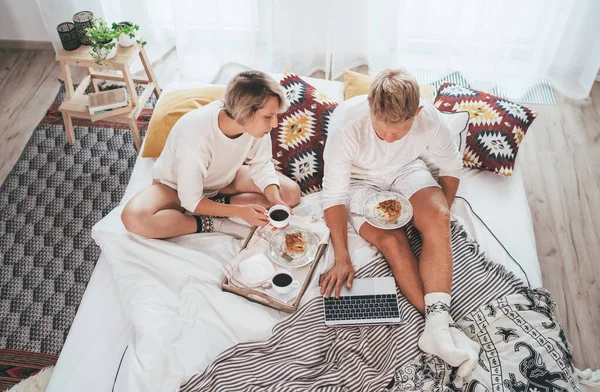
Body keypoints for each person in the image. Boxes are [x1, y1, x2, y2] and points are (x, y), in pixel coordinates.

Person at [319, 68, 479, 376]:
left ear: (416, 113)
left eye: (398, 132)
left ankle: (436, 325)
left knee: (439, 217)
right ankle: (445, 329)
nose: (389, 138)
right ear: (370, 106)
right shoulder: (348, 125)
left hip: (406, 171)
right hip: (357, 181)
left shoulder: (430, 120)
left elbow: (450, 166)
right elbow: (333, 195)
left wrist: (434, 217)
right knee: (392, 240)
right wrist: (342, 257)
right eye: (383, 131)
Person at [121, 70, 301, 239]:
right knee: (134, 218)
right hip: (174, 189)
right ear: (245, 112)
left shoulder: (253, 125)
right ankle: (212, 221)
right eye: (269, 116)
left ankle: (217, 204)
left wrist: (275, 200)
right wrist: (240, 211)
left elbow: (261, 164)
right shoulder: (196, 137)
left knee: (290, 194)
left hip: (222, 180)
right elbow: (190, 200)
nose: (275, 124)